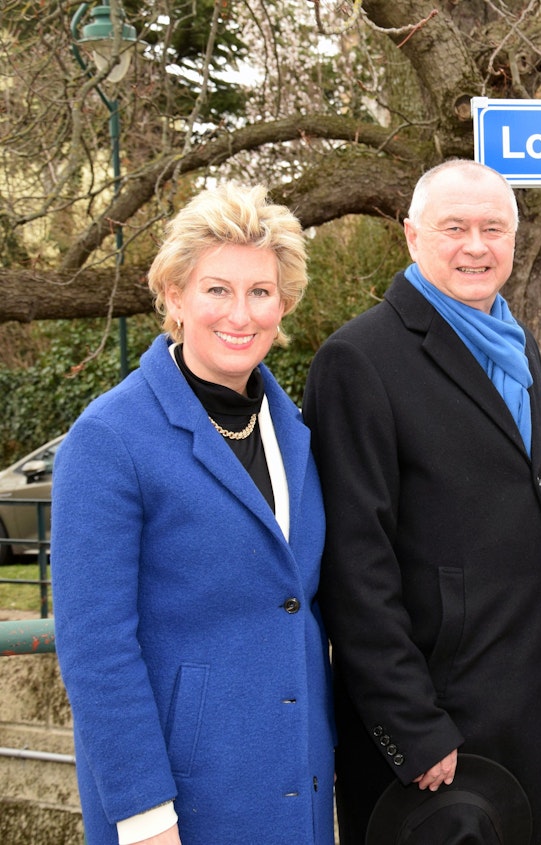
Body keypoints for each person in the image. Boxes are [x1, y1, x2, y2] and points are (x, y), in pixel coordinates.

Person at [302, 159, 541, 845]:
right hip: (439, 727)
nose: (476, 245)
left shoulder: (509, 339)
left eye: (493, 228)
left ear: (515, 240)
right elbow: (354, 562)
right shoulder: (359, 359)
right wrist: (409, 723)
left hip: (523, 700)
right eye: (454, 228)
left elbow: (521, 471)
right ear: (412, 237)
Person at [51, 184, 336, 845]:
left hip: (297, 788)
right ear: (174, 295)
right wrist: (145, 815)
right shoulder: (109, 438)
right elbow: (96, 649)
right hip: (182, 805)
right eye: (216, 289)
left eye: (261, 291)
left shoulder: (292, 428)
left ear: (283, 304)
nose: (240, 312)